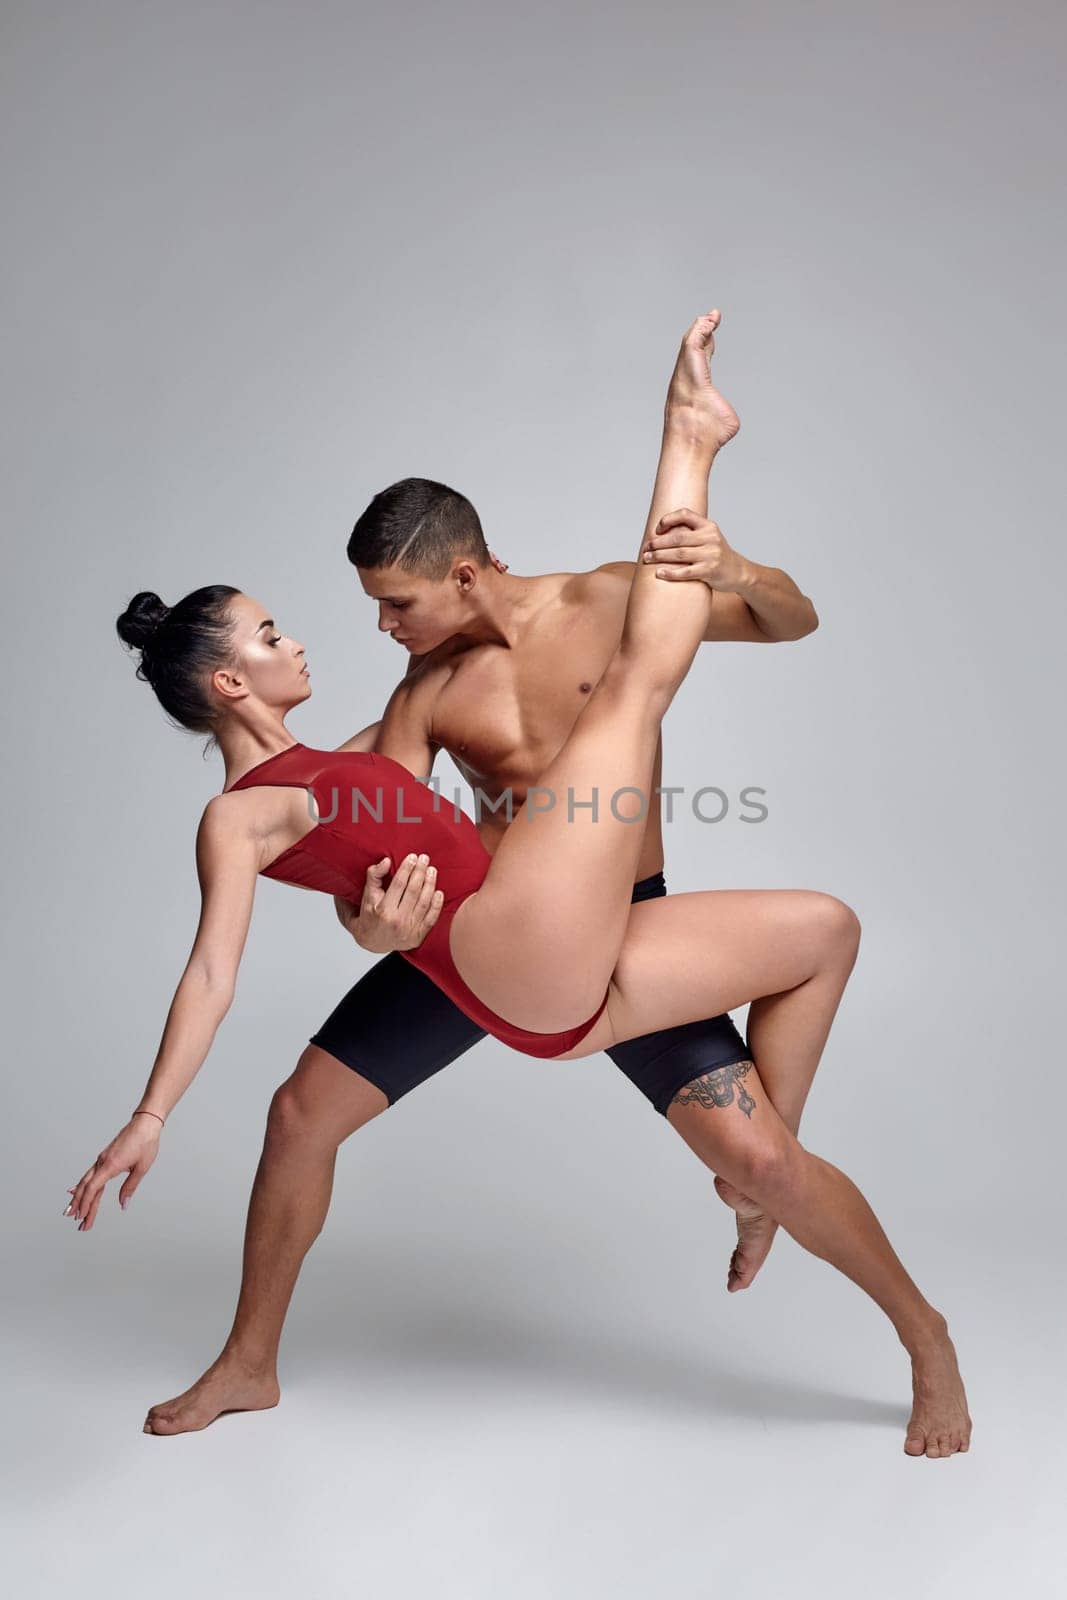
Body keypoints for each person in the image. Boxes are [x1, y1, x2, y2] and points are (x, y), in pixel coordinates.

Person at [67, 312, 971, 1457]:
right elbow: (362, 840)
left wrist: (734, 567)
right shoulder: (420, 696)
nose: (383, 629)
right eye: (362, 611)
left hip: (602, 927)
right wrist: (364, 924)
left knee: (767, 1153)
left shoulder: (603, 597)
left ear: (462, 572)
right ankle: (249, 1361)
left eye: (397, 603)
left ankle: (908, 1326)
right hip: (485, 937)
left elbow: (791, 619)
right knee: (300, 1115)